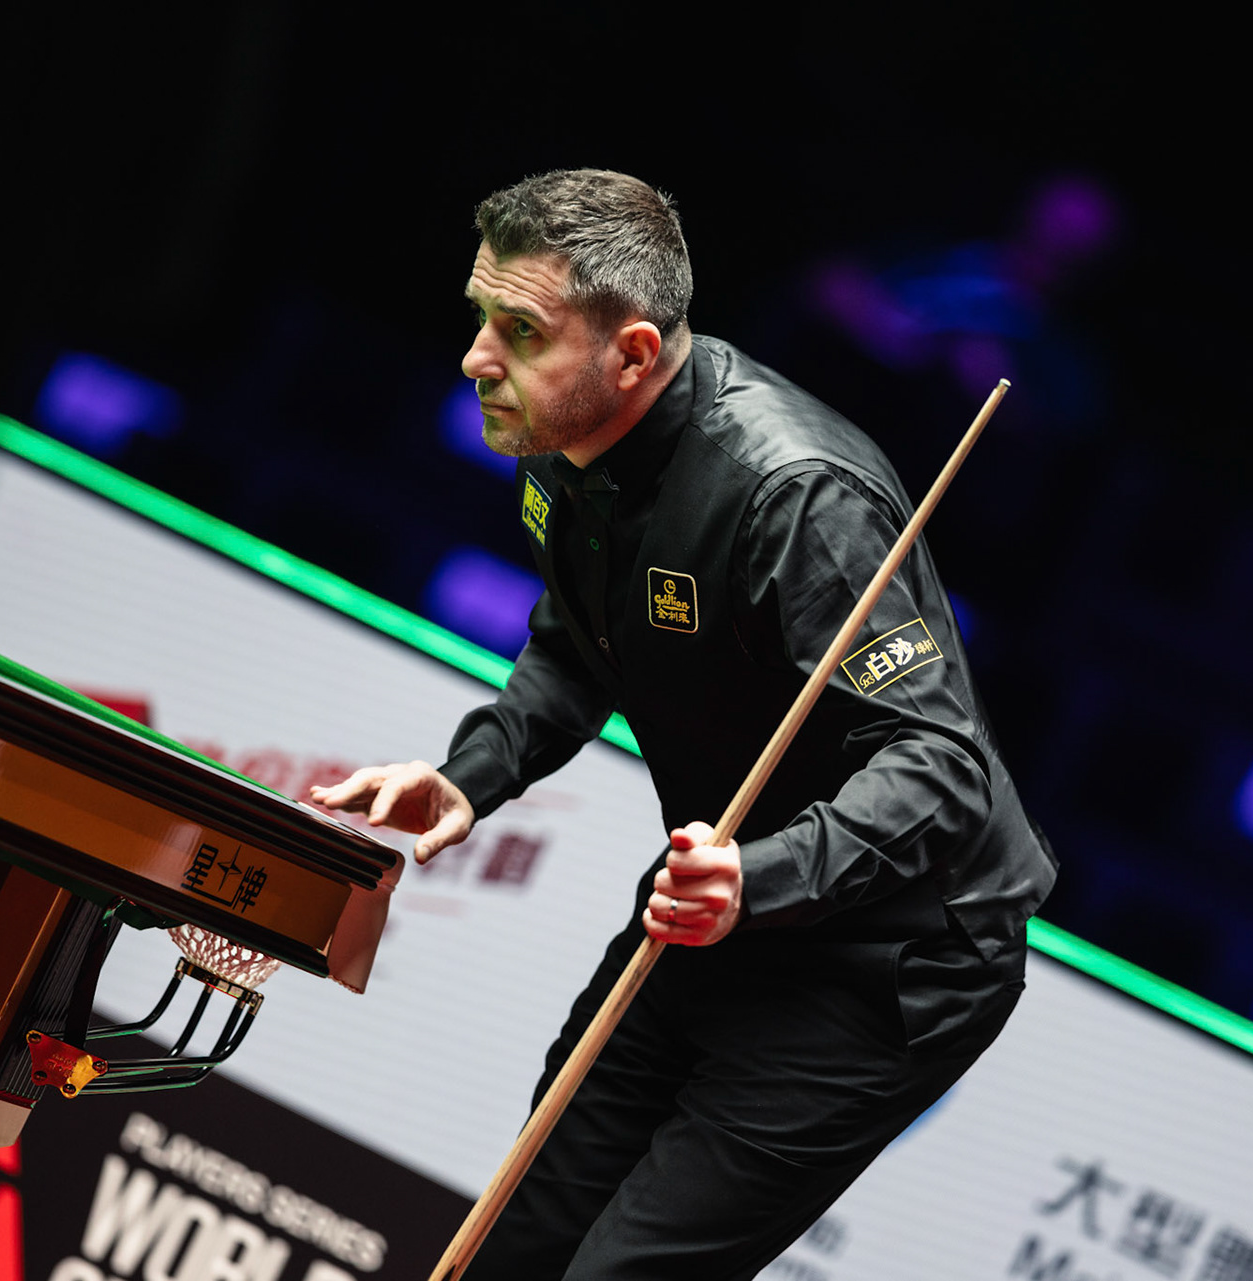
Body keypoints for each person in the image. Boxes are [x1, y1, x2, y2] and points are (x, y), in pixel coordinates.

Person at [311, 169, 1057, 1280]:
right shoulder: (567, 458)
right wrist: (477, 775)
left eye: (520, 331)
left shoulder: (793, 496)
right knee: (507, 1247)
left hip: (882, 967)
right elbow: (577, 644)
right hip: (711, 915)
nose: (476, 358)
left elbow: (940, 767)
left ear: (636, 355)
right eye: (481, 318)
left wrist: (754, 878)